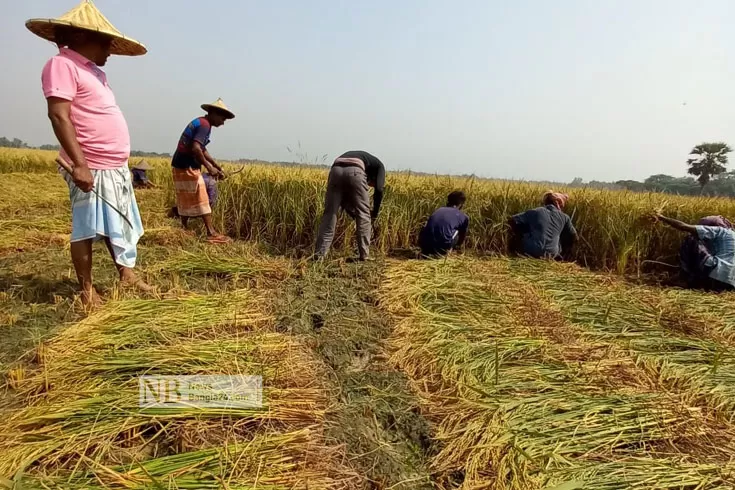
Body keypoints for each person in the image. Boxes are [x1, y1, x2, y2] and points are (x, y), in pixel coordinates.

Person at [28, 0, 152, 307]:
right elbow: (59, 116)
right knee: (86, 227)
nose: (110, 50)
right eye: (106, 43)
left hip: (113, 165)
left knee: (115, 221)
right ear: (82, 38)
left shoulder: (94, 72)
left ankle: (127, 273)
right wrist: (80, 164)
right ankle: (87, 289)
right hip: (90, 163)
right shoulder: (61, 65)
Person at [171, 99, 234, 243]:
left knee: (186, 196)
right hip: (187, 165)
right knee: (201, 197)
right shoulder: (204, 125)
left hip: (180, 164)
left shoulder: (200, 122)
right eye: (222, 118)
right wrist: (209, 168)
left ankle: (183, 227)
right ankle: (211, 232)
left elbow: (202, 149)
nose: (223, 122)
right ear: (213, 113)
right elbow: (196, 149)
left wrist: (215, 165)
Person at [314, 151, 386, 261]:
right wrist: (374, 213)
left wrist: (352, 213)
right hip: (356, 171)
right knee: (364, 215)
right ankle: (364, 256)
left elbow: (344, 201)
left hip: (335, 170)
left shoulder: (365, 159)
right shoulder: (380, 166)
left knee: (330, 214)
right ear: (374, 177)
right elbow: (380, 189)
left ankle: (319, 255)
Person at [654, 213, 735, 292]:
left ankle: (684, 277)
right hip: (730, 284)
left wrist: (661, 217)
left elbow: (683, 226)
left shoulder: (720, 231)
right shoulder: (730, 236)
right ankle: (695, 282)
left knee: (692, 238)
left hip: (715, 275)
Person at [508, 191, 577, 260]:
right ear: (557, 203)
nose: (561, 209)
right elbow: (574, 236)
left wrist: (522, 231)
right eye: (561, 206)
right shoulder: (565, 217)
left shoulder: (536, 211)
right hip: (552, 254)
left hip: (531, 250)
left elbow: (512, 220)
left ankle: (512, 254)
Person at [419, 191, 469, 257]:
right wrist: (458, 246)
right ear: (461, 204)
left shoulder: (438, 210)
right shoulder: (463, 216)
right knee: (458, 231)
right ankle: (447, 252)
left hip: (425, 245)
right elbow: (462, 236)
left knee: (425, 227)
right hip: (442, 248)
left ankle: (425, 252)